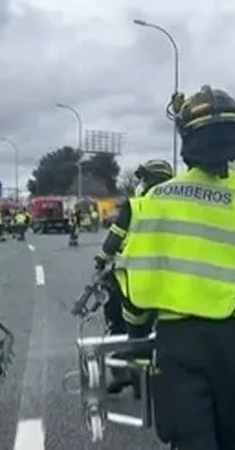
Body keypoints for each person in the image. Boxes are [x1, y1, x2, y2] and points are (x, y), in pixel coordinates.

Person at [113, 86, 235, 450]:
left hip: (179, 342)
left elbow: (135, 274)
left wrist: (135, 332)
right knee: (226, 437)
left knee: (194, 440)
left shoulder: (157, 198)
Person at [93, 158, 174, 395]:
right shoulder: (182, 206)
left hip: (133, 282)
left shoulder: (136, 205)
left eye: (143, 179)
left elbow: (113, 240)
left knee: (121, 325)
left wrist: (101, 260)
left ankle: (125, 371)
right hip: (174, 282)